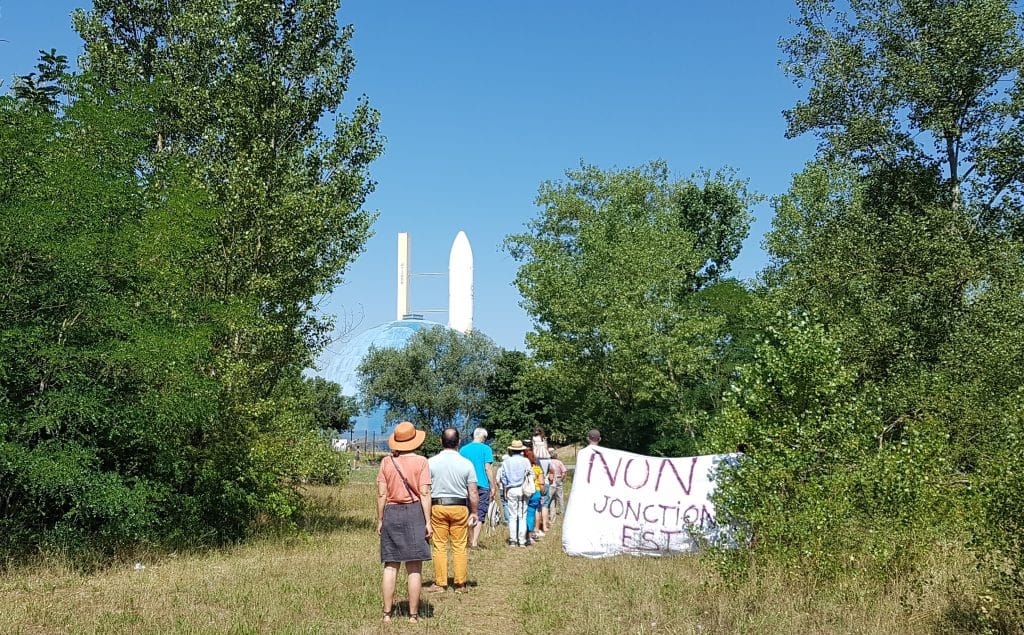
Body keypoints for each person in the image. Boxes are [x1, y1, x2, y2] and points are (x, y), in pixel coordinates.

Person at [377, 421, 432, 625]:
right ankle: (413, 616)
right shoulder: (421, 462)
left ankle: (387, 614)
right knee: (414, 567)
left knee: (390, 566)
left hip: (391, 512)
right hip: (414, 513)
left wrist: (380, 519)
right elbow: (425, 492)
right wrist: (428, 521)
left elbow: (382, 494)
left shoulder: (386, 462)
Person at [427, 428, 478, 594]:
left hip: (438, 506)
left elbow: (426, 490)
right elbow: (473, 491)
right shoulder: (467, 463)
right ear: (459, 442)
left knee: (439, 546)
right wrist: (475, 512)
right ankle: (460, 583)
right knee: (459, 545)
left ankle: (440, 583)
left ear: (441, 441)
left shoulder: (431, 462)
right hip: (459, 507)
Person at [459, 427, 496, 548]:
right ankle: (474, 542)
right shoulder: (486, 449)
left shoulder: (463, 449)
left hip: (466, 485)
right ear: (484, 438)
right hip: (482, 484)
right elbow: (488, 468)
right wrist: (493, 486)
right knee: (480, 513)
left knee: (468, 512)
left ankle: (467, 539)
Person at [499, 440, 533, 547]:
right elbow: (531, 474)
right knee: (522, 515)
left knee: (512, 516)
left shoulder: (506, 462)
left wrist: (505, 489)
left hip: (511, 489)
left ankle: (513, 539)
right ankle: (521, 540)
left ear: (511, 450)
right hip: (522, 489)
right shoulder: (526, 461)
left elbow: (503, 478)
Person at [522, 448, 547, 544]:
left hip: (524, 492)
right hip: (535, 492)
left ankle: (520, 534)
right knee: (531, 514)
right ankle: (530, 536)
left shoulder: (523, 468)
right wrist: (543, 492)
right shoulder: (537, 468)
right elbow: (541, 483)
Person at [546, 451, 567, 520]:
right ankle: (562, 511)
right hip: (558, 478)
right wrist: (562, 479)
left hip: (550, 479)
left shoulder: (548, 462)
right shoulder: (559, 462)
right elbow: (564, 472)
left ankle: (548, 510)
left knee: (550, 496)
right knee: (560, 496)